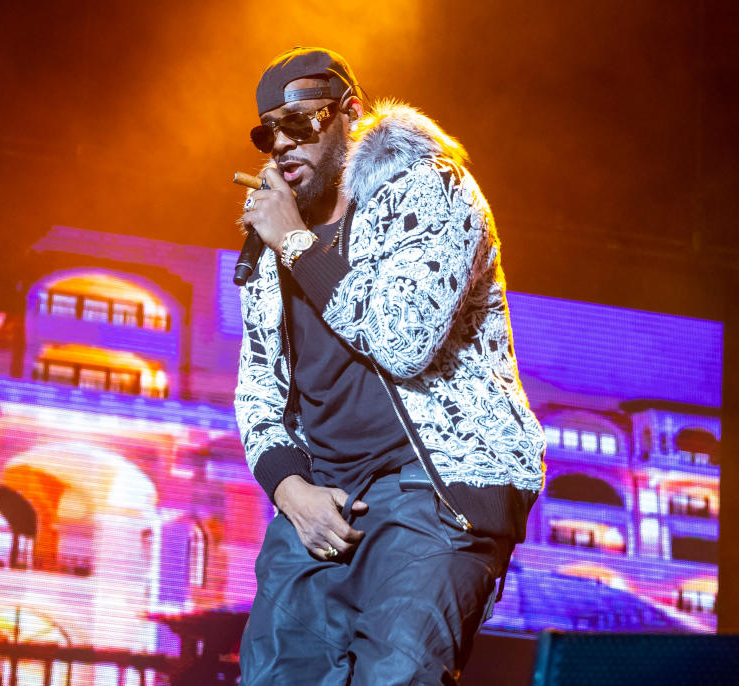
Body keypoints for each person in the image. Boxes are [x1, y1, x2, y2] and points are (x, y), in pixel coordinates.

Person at [234, 47, 546, 685]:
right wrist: (292, 494)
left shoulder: (431, 190)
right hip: (323, 500)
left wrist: (297, 243)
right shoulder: (271, 249)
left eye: (301, 123)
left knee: (395, 676)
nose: (283, 144)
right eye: (269, 133)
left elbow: (404, 339)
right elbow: (257, 395)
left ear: (350, 113)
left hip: (429, 491)